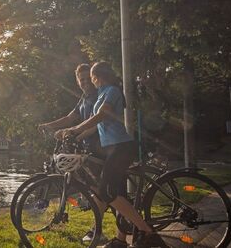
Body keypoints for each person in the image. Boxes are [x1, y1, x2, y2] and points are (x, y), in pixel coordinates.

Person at [60, 62, 166, 247]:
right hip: (113, 148)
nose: (91, 80)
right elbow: (96, 124)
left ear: (99, 76)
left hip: (121, 147)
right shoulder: (102, 93)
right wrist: (74, 134)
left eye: (92, 76)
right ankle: (120, 240)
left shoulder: (112, 91)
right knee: (116, 193)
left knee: (106, 191)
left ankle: (147, 232)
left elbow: (103, 114)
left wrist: (75, 128)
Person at [38, 63, 100, 153]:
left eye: (88, 78)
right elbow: (69, 118)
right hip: (87, 146)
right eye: (82, 79)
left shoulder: (98, 96)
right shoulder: (84, 98)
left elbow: (93, 124)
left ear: (94, 78)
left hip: (99, 145)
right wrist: (48, 125)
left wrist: (71, 132)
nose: (86, 82)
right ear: (78, 82)